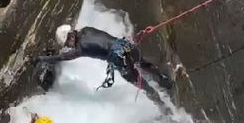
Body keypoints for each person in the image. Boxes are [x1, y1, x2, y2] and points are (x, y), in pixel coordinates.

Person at [36, 25, 173, 93]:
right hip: (126, 46)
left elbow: (62, 57)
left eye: (67, 43)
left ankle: (160, 103)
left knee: (139, 82)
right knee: (143, 63)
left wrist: (40, 59)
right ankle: (163, 80)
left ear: (70, 37)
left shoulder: (80, 49)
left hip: (119, 59)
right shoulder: (86, 29)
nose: (67, 46)